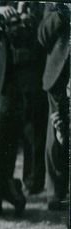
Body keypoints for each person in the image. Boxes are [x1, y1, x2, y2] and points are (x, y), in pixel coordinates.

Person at [0, 1, 47, 212]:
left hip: (31, 74)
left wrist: (31, 20)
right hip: (6, 78)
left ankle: (33, 183)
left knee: (33, 132)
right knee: (5, 134)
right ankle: (2, 182)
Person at [38, 3, 69, 212]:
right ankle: (56, 192)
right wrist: (63, 11)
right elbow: (42, 36)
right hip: (60, 74)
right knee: (57, 130)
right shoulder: (55, 4)